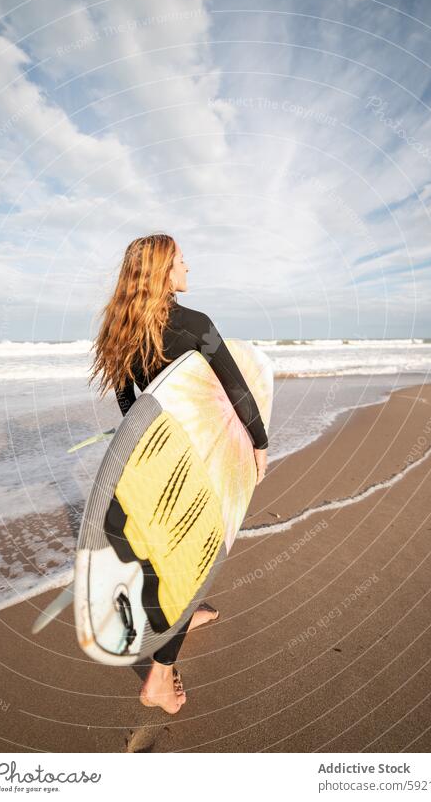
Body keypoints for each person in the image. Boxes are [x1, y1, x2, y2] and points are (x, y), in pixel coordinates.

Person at [89, 234, 268, 714]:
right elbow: (237, 390)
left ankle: (188, 613)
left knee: (166, 551)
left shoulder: (124, 329)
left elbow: (133, 405)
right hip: (196, 458)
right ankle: (160, 680)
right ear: (166, 271)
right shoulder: (194, 325)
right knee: (197, 553)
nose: (189, 267)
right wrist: (260, 443)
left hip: (152, 455)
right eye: (182, 260)